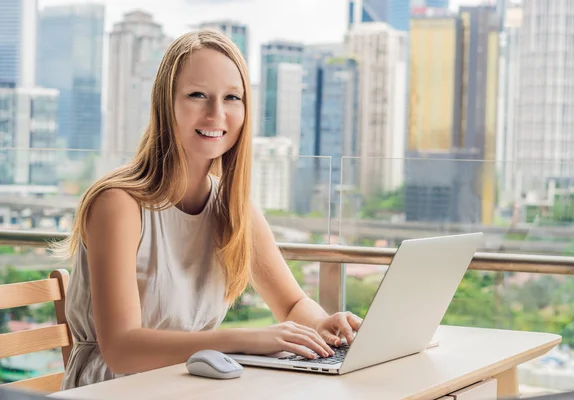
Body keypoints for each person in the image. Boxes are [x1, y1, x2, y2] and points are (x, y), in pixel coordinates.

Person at [55, 29, 363, 390]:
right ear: (165, 103)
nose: (217, 113)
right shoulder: (117, 204)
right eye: (197, 95)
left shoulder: (234, 208)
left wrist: (322, 324)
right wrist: (245, 339)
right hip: (113, 389)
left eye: (232, 97)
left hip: (192, 385)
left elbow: (293, 303)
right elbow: (122, 349)